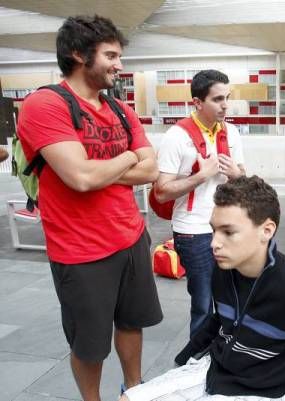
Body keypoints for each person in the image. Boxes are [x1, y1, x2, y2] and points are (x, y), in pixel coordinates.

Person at [16, 15, 162, 401]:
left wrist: (100, 169)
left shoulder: (119, 110)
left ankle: (134, 390)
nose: (120, 65)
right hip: (80, 251)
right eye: (111, 55)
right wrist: (126, 157)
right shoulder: (45, 104)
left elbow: (151, 169)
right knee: (90, 344)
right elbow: (81, 179)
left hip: (130, 236)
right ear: (79, 54)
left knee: (132, 323)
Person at [121, 175, 285, 401]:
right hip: (217, 369)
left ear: (266, 231)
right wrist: (183, 360)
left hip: (265, 388)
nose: (215, 243)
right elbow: (220, 320)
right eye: (214, 230)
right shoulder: (224, 269)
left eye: (228, 232)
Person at [153, 69, 245, 365]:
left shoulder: (231, 132)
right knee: (204, 303)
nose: (225, 105)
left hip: (229, 227)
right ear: (197, 102)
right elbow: (162, 192)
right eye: (218, 99)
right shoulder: (177, 136)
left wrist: (236, 174)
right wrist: (202, 175)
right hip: (193, 231)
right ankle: (194, 363)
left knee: (232, 300)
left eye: (227, 98)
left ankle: (225, 357)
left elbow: (242, 176)